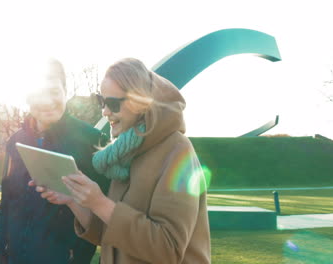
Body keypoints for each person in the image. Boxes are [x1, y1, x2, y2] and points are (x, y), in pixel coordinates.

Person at [34, 58, 211, 263]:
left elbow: (168, 249)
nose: (105, 111)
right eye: (102, 101)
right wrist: (74, 201)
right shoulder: (124, 153)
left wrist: (100, 202)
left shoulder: (178, 151)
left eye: (113, 104)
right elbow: (112, 235)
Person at [0, 58, 110, 264]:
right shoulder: (15, 142)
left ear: (65, 91)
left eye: (54, 91)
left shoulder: (93, 141)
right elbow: (7, 206)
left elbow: (105, 221)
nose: (47, 101)